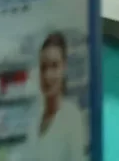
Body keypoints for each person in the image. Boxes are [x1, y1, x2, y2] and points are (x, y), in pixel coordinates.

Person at [19, 32, 90, 161]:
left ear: (64, 68)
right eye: (43, 68)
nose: (48, 75)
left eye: (54, 66)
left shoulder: (72, 117)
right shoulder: (34, 119)